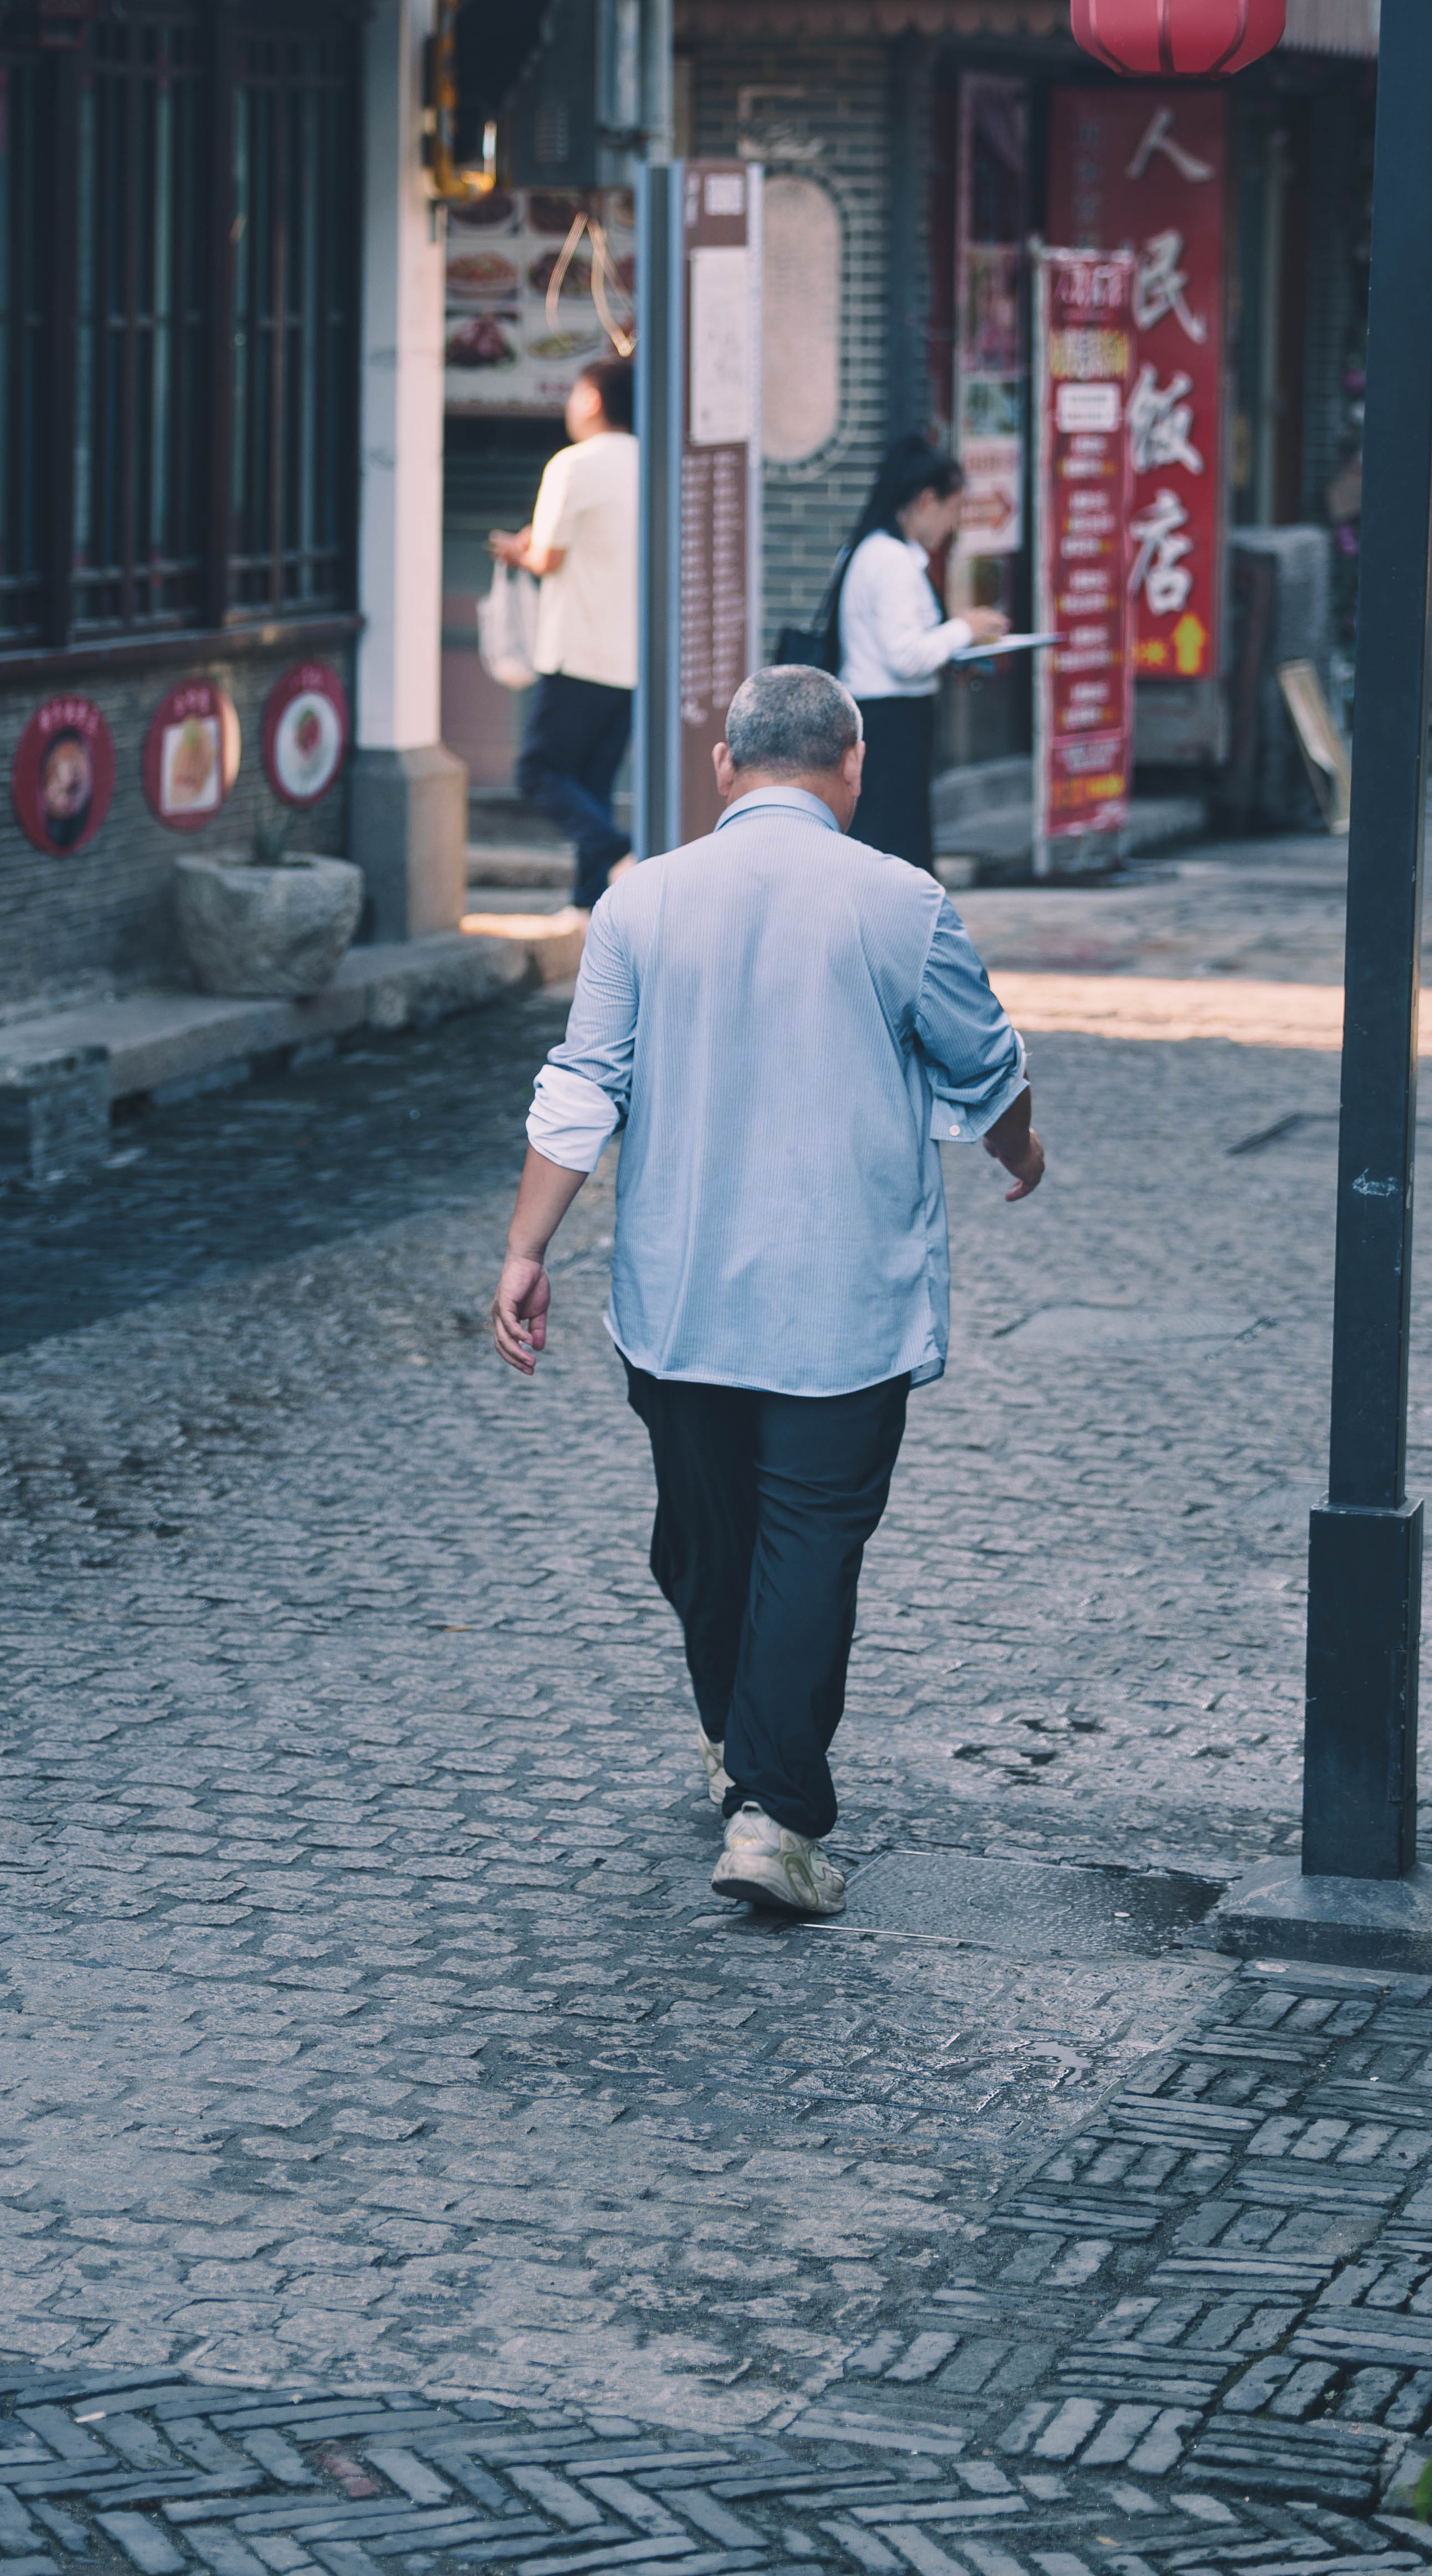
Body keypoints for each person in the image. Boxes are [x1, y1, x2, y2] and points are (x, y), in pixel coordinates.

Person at [490, 662, 1045, 1922]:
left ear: (724, 768)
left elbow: (582, 1084)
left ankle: (739, 1753)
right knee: (803, 1544)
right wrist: (1022, 1154)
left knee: (705, 1539)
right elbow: (985, 1066)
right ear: (854, 768)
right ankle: (774, 1812)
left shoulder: (641, 903)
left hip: (677, 1300)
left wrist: (526, 1248)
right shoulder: (901, 900)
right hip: (838, 1305)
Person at [491, 353, 638, 917]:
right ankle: (587, 902)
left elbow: (547, 558)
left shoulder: (573, 464)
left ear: (594, 401)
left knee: (539, 772)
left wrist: (516, 550)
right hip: (631, 658)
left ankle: (617, 851)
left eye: (577, 394)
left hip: (578, 650)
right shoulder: (653, 461)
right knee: (592, 783)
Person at [830, 435, 1008, 871]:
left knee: (884, 840)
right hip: (891, 718)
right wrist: (964, 629)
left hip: (880, 716)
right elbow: (905, 657)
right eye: (953, 510)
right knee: (895, 846)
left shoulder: (870, 550)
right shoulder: (891, 560)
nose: (953, 524)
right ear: (928, 501)